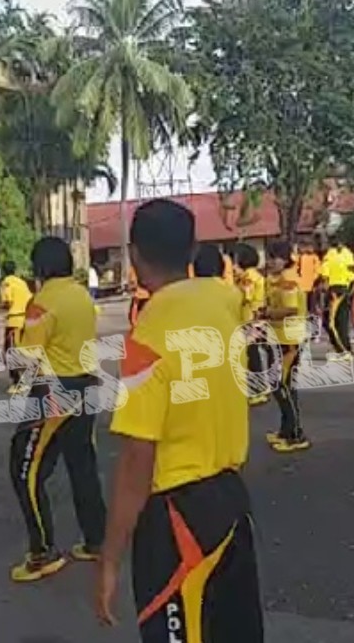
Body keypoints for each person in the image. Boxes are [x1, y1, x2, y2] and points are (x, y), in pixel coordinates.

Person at [95, 199, 263, 641]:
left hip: (176, 514)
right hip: (230, 500)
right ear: (193, 249)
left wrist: (110, 558)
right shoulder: (224, 300)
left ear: (134, 255)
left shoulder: (147, 335)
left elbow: (137, 457)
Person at [7, 237, 108, 582]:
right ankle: (97, 539)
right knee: (83, 465)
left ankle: (42, 552)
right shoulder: (82, 295)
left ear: (40, 267)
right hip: (87, 384)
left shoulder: (42, 302)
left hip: (55, 390)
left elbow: (26, 357)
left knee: (26, 471)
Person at [261, 240, 310, 453]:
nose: (271, 262)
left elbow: (290, 308)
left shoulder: (288, 280)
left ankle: (296, 434)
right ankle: (285, 430)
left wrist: (266, 313)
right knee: (280, 385)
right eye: (269, 257)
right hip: (279, 336)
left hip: (290, 338)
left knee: (283, 386)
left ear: (285, 258)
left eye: (274, 258)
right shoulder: (277, 279)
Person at [236, 244, 270, 406]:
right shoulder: (257, 275)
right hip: (258, 318)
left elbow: (246, 296)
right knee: (258, 353)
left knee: (252, 356)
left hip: (250, 320)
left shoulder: (247, 277)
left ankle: (257, 390)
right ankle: (263, 386)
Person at [318, 240, 354, 361]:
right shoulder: (348, 254)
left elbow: (324, 275)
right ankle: (344, 349)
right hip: (345, 289)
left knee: (331, 322)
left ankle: (343, 350)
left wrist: (324, 290)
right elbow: (353, 275)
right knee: (341, 320)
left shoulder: (330, 255)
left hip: (335, 290)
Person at [0, 262, 33, 391]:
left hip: (14, 321)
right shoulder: (21, 282)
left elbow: (7, 301)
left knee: (10, 352)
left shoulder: (7, 282)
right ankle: (29, 378)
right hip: (25, 319)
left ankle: (18, 382)